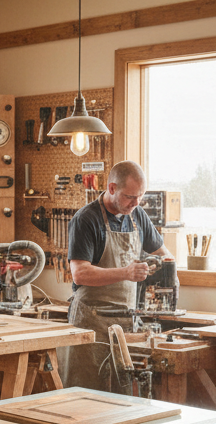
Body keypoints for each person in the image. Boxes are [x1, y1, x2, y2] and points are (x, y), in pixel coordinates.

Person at [62, 161, 173, 391]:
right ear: (111, 188)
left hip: (126, 322)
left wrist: (168, 273)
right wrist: (126, 272)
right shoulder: (86, 219)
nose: (136, 203)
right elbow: (80, 273)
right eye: (130, 197)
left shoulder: (137, 215)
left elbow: (164, 255)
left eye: (140, 197)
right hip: (92, 322)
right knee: (86, 393)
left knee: (122, 395)